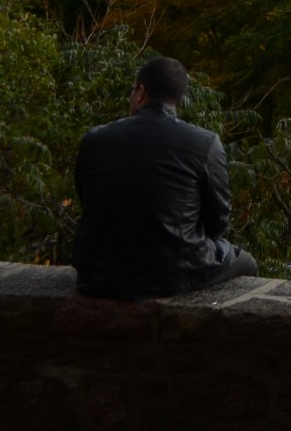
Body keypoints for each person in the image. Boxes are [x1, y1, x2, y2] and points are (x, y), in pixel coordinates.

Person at [73, 55, 257, 300]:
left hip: (97, 273)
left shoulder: (94, 139)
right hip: (172, 274)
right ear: (179, 98)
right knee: (247, 262)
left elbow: (88, 201)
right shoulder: (204, 143)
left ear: (140, 92)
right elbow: (217, 221)